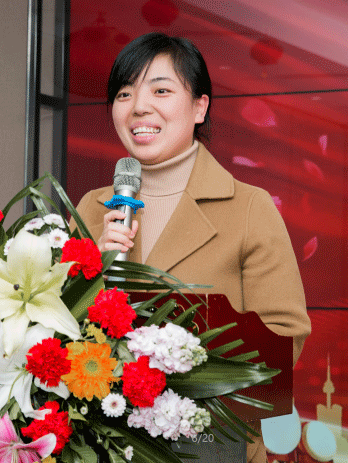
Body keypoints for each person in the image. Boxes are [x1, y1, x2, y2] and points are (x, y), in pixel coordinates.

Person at [70, 32, 311, 463]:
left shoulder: (248, 206)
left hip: (207, 443)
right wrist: (92, 270)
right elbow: (55, 326)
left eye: (161, 90)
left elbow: (285, 335)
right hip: (101, 441)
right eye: (124, 94)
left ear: (200, 107)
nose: (138, 107)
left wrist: (177, 368)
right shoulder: (93, 207)